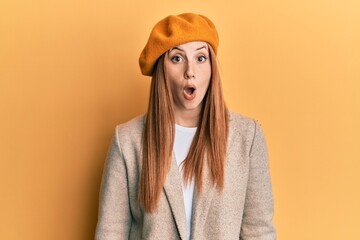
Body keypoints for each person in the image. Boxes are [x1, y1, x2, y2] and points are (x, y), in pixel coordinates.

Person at [95, 13, 276, 240]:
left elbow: (259, 232)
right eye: (177, 59)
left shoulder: (248, 137)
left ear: (212, 68)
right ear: (162, 69)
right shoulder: (127, 140)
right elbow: (110, 233)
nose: (190, 71)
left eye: (200, 58)